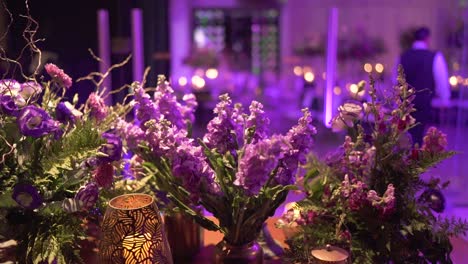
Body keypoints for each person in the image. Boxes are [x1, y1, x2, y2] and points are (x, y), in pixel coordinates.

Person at [397, 26, 451, 145]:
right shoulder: (434, 56)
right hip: (424, 102)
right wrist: (445, 99)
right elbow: (441, 79)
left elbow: (394, 79)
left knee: (405, 134)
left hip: (405, 102)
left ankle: (406, 159)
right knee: (419, 134)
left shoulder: (403, 56)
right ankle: (415, 159)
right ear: (427, 39)